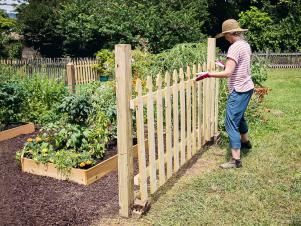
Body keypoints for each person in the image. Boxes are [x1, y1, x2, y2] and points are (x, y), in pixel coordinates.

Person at [196, 19, 254, 169]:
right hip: (247, 87)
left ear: (229, 34)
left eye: (225, 36)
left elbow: (228, 73)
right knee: (239, 118)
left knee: (230, 123)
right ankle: (245, 142)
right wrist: (223, 64)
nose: (226, 39)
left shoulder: (234, 48)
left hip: (239, 89)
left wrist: (207, 74)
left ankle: (236, 161)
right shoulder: (245, 45)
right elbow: (240, 66)